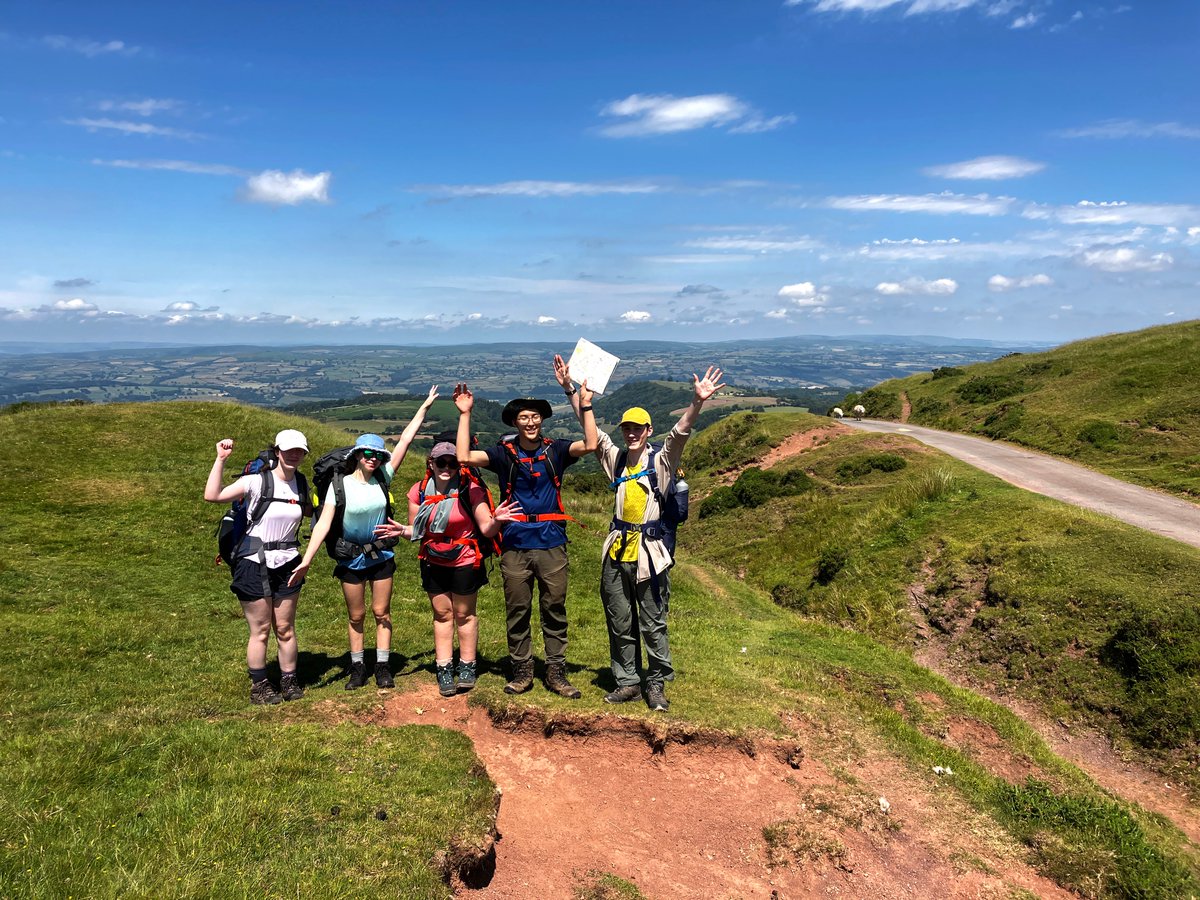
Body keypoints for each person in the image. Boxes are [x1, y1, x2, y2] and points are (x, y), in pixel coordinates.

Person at [568, 362, 724, 712]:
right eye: (627, 428)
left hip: (650, 553)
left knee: (653, 623)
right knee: (619, 619)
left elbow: (679, 434)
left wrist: (697, 402)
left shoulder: (662, 461)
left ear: (648, 428)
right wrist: (574, 394)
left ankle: (655, 684)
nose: (631, 433)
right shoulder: (618, 459)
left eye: (638, 428)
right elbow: (592, 432)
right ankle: (628, 682)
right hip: (617, 550)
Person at [453, 371, 597, 698]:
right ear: (515, 423)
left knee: (554, 608)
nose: (530, 422)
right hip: (515, 543)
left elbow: (590, 444)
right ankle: (522, 671)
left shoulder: (556, 451)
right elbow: (464, 456)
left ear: (542, 420)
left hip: (552, 543)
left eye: (534, 417)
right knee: (517, 610)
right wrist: (465, 415)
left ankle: (556, 672)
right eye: (523, 418)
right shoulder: (504, 454)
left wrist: (584, 405)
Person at [290, 386, 438, 689]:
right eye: (367, 454)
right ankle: (358, 667)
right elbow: (322, 525)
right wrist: (307, 560)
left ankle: (382, 666)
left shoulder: (384, 476)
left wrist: (423, 407)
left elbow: (406, 440)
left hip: (382, 554)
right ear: (357, 456)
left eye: (377, 455)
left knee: (381, 612)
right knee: (355, 616)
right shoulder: (338, 485)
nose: (373, 458)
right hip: (349, 557)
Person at [374, 442, 521, 697]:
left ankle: (467, 666)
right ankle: (444, 667)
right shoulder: (418, 491)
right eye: (441, 462)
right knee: (442, 614)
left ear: (459, 465)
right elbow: (416, 531)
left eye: (452, 463)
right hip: (433, 560)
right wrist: (402, 531)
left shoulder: (470, 489)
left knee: (464, 614)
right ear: (431, 462)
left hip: (465, 559)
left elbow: (486, 529)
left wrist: (497, 519)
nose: (446, 467)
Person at [204, 428, 311, 705]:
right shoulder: (255, 481)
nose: (294, 455)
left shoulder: (301, 483)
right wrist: (221, 459)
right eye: (288, 450)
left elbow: (313, 512)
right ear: (277, 451)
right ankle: (260, 686)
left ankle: (289, 680)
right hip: (253, 562)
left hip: (288, 562)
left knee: (285, 627)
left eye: (299, 451)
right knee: (261, 629)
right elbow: (213, 495)